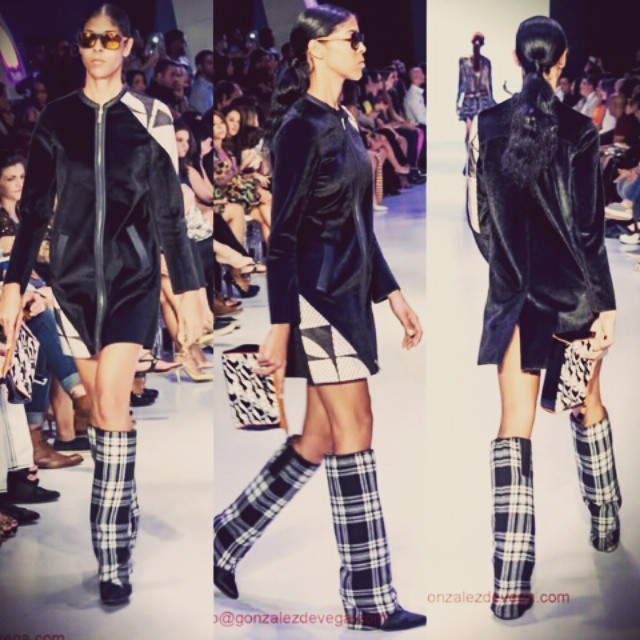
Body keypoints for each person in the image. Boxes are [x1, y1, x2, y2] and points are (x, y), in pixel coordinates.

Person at [213, 5, 425, 632]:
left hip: (348, 294)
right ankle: (368, 597)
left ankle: (225, 537)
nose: (363, 49)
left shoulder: (344, 119)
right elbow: (282, 238)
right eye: (352, 40)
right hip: (318, 299)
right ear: (317, 50)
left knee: (319, 438)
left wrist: (392, 294)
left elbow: (357, 221)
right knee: (356, 427)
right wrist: (281, 323)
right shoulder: (300, 128)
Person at [0, 3, 202, 606]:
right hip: (72, 286)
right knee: (102, 411)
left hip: (132, 282)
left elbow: (169, 212)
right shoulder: (56, 118)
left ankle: (113, 557)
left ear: (128, 45)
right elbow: (34, 210)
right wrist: (13, 285)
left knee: (112, 405)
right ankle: (123, 505)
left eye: (109, 39)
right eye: (89, 38)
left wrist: (189, 290)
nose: (97, 48)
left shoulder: (153, 115)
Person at [466, 16, 620, 621]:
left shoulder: (486, 124)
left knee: (514, 425)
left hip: (515, 299)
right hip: (573, 298)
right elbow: (589, 229)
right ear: (563, 63)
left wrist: (507, 267)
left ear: (514, 58)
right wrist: (605, 305)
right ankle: (605, 524)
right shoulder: (580, 130)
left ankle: (509, 584)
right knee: (587, 404)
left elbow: (480, 220)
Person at [457, 32, 496, 142]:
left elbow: (489, 84)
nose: (477, 44)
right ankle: (470, 153)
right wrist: (458, 101)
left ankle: (480, 152)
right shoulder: (463, 61)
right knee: (469, 132)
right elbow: (461, 83)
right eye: (475, 41)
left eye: (479, 42)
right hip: (469, 100)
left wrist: (491, 101)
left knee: (482, 131)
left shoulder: (486, 62)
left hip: (483, 100)